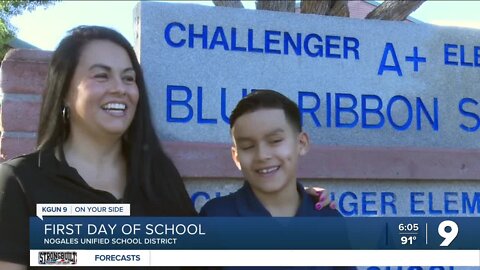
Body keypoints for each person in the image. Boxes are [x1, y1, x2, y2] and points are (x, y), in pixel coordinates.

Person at [0, 27, 331, 270]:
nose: (120, 89)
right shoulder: (18, 183)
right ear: (64, 90)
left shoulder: (159, 178)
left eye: (129, 78)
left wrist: (292, 197)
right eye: (101, 76)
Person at [200, 90, 355, 269]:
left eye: (275, 141)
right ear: (236, 157)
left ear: (301, 144)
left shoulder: (328, 220)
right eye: (248, 146)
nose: (262, 155)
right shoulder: (216, 218)